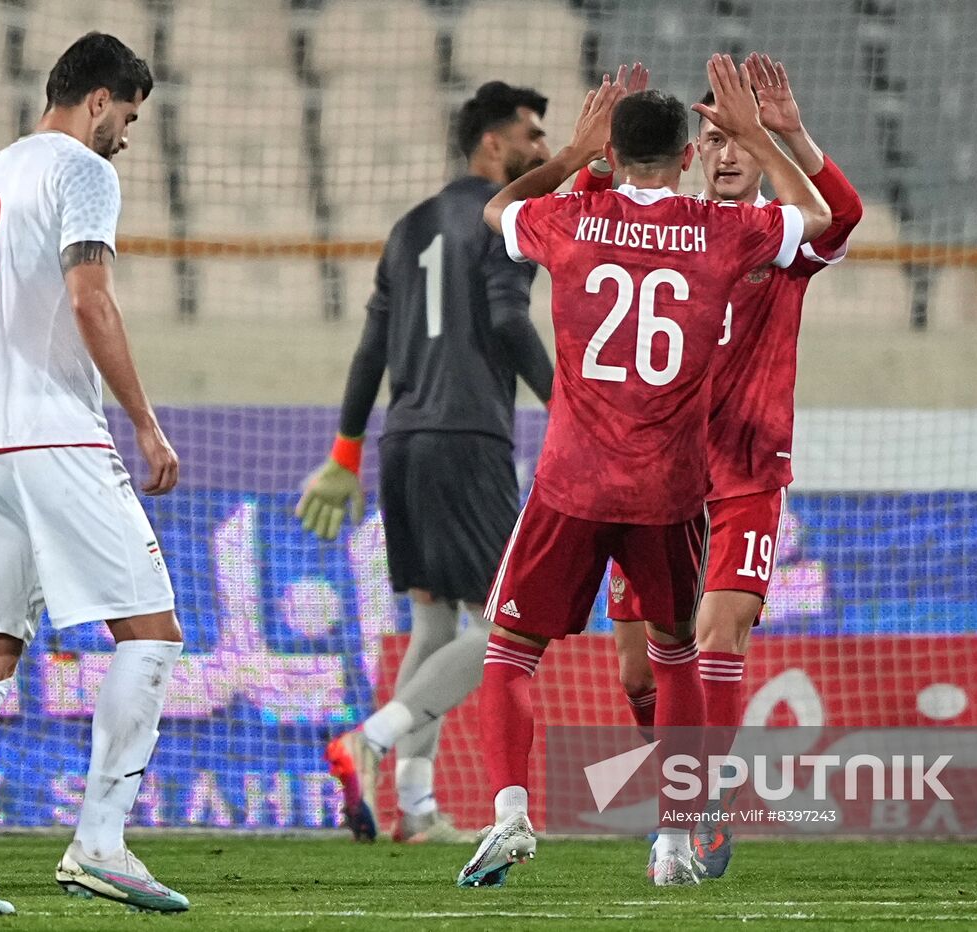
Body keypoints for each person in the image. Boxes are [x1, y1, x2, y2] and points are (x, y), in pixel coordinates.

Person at [456, 56, 830, 889]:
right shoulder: (723, 230)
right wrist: (762, 139)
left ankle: (511, 816)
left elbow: (495, 209)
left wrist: (570, 154)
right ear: (688, 154)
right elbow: (814, 212)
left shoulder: (571, 218)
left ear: (613, 152)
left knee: (512, 647)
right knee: (674, 657)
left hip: (573, 480)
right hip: (670, 490)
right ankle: (673, 842)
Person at [0, 33, 187, 916]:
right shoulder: (81, 170)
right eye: (129, 119)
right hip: (52, 437)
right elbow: (88, 296)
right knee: (151, 631)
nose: (126, 139)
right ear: (101, 99)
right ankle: (101, 841)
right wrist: (144, 424)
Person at [581, 53, 864, 880]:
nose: (728, 154)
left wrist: (787, 136)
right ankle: (679, 781)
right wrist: (605, 151)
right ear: (695, 154)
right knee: (639, 672)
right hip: (656, 480)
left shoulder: (781, 238)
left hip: (746, 476)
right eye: (714, 141)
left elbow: (842, 217)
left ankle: (700, 804)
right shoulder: (673, 231)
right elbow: (591, 214)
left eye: (735, 140)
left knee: (715, 635)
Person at [295, 82, 555, 843]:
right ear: (492, 144)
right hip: (467, 437)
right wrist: (568, 403)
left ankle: (412, 806)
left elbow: (373, 346)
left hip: (402, 444)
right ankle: (368, 741)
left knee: (435, 622)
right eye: (532, 136)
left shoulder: (407, 227)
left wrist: (346, 452)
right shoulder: (506, 221)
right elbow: (508, 319)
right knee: (512, 622)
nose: (543, 151)